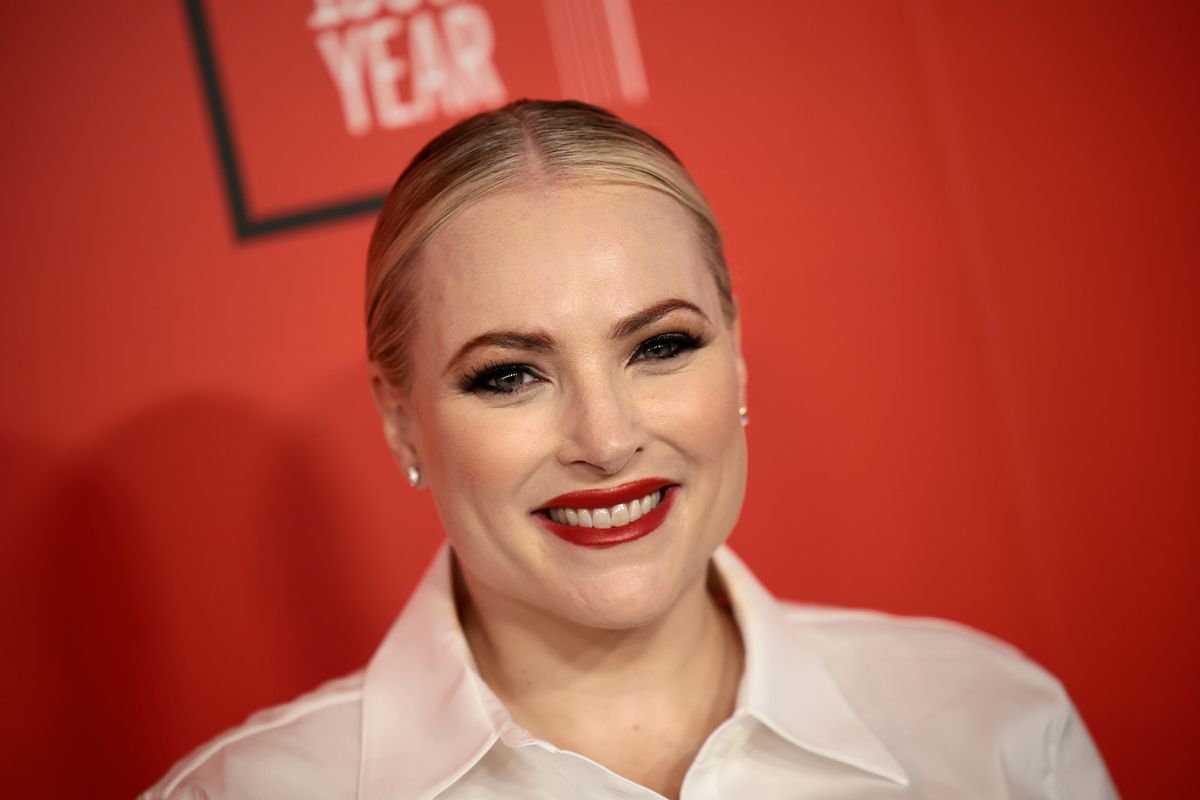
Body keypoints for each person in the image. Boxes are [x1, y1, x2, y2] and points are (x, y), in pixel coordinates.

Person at [143, 100, 1118, 799]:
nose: (606, 439)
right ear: (401, 420)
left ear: (734, 360)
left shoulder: (994, 728)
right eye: (510, 373)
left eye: (660, 345)